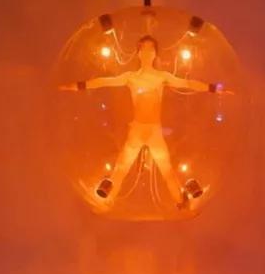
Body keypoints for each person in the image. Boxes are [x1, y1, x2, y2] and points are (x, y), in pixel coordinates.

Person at [61, 35, 224, 209]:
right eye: (144, 48)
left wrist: (214, 88)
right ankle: (105, 202)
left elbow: (188, 83)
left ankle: (181, 203)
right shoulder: (131, 77)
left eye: (151, 48)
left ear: (155, 53)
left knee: (166, 170)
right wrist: (76, 86)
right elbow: (103, 81)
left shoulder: (162, 77)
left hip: (154, 131)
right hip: (137, 130)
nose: (147, 52)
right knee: (121, 168)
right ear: (138, 53)